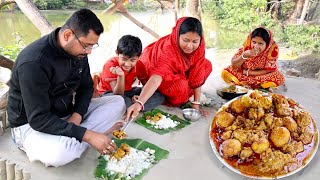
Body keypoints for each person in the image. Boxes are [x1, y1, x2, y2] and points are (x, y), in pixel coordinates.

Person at [7, 9, 126, 167]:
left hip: (67, 114)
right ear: (68, 35)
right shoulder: (34, 62)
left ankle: (79, 137)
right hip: (31, 125)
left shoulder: (79, 54)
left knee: (118, 102)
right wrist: (88, 135)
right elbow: (38, 118)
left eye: (92, 46)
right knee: (59, 154)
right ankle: (89, 136)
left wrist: (76, 116)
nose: (89, 52)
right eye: (86, 45)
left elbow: (86, 88)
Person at [125, 17, 212, 119]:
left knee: (206, 65)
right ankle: (163, 95)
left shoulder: (200, 45)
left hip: (178, 71)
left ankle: (180, 91)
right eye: (185, 40)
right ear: (177, 35)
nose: (190, 46)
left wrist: (196, 105)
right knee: (181, 87)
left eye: (195, 42)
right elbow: (156, 78)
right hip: (154, 70)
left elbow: (198, 70)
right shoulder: (167, 50)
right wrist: (139, 103)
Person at [97, 35, 165, 111]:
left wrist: (141, 97)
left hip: (128, 91)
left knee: (159, 96)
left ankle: (134, 107)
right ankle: (133, 107)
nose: (127, 64)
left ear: (139, 57)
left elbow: (145, 83)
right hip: (109, 94)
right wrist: (121, 76)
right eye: (124, 59)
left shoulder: (139, 65)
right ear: (117, 53)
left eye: (132, 60)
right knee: (121, 101)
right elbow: (118, 94)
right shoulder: (110, 65)